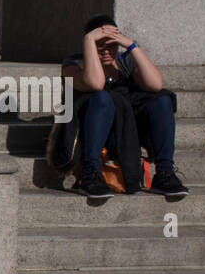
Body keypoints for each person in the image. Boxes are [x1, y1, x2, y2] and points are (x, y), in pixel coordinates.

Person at [61, 15, 188, 198]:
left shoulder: (124, 61)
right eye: (99, 46)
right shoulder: (74, 64)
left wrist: (131, 46)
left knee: (162, 99)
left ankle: (165, 173)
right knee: (102, 98)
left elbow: (155, 84)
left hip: (126, 131)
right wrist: (89, 39)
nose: (106, 51)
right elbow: (96, 84)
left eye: (111, 45)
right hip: (91, 131)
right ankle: (91, 174)